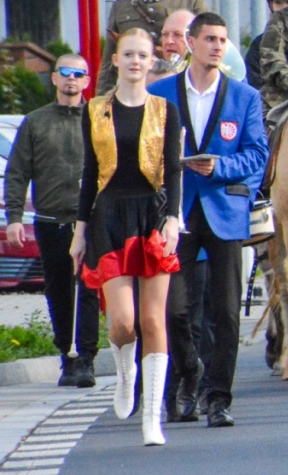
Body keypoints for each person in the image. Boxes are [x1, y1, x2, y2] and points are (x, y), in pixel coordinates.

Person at [147, 12, 269, 428]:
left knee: (227, 312)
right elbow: (147, 153)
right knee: (176, 309)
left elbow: (257, 155)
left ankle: (218, 398)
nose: (218, 47)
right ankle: (187, 376)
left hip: (224, 212)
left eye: (223, 40)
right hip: (175, 215)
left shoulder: (244, 96)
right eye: (210, 39)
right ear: (190, 42)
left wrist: (221, 168)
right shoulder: (161, 93)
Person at [69, 28, 183, 446]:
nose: (136, 61)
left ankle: (151, 416)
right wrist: (80, 232)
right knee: (122, 322)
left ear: (152, 61)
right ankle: (124, 371)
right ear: (115, 60)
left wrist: (173, 218)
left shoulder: (165, 109)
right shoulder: (95, 109)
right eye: (128, 54)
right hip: (109, 216)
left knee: (153, 319)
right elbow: (88, 175)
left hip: (152, 214)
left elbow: (174, 168)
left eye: (143, 55)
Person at [4, 55, 100, 387]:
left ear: (87, 81)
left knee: (89, 287)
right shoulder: (36, 122)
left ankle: (87, 357)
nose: (72, 79)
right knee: (59, 290)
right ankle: (67, 357)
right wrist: (14, 217)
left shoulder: (98, 119)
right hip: (50, 220)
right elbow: (16, 172)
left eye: (79, 74)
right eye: (66, 73)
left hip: (89, 221)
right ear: (55, 79)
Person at [246, 0, 288, 90]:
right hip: (274, 104)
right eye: (278, 3)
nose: (284, 8)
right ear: (271, 5)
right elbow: (255, 84)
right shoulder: (259, 45)